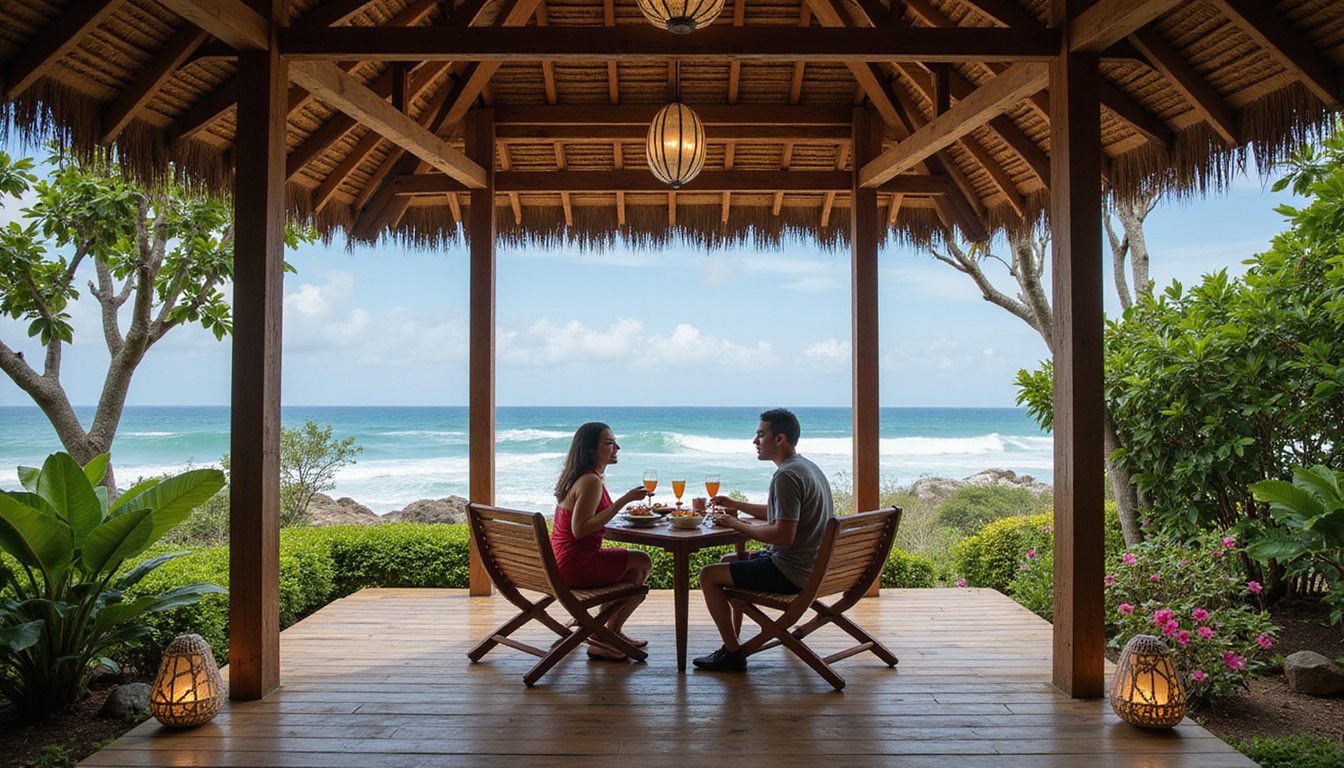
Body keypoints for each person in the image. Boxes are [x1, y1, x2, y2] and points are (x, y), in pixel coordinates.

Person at [692, 408, 834, 672]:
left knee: (708, 575)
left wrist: (736, 523)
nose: (755, 441)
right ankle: (731, 643)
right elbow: (782, 514)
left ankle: (733, 654)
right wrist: (736, 505)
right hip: (815, 568)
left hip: (791, 572)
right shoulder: (806, 468)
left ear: (779, 439)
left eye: (760, 435)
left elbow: (783, 534)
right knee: (728, 561)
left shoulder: (785, 476)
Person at [552, 421, 654, 661]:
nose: (616, 447)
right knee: (642, 562)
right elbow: (579, 529)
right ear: (590, 449)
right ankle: (604, 636)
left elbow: (584, 523)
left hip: (561, 562)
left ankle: (608, 632)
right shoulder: (590, 481)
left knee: (636, 564)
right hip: (575, 564)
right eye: (609, 442)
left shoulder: (582, 477)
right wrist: (623, 502)